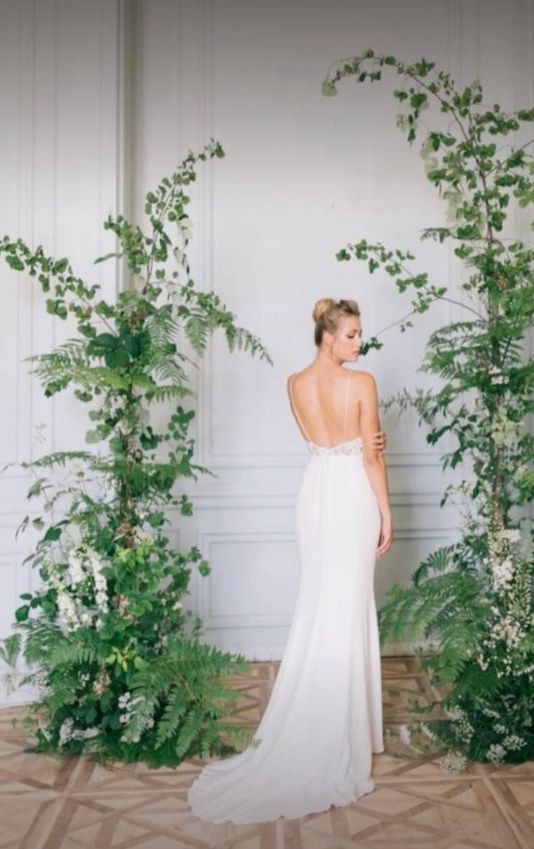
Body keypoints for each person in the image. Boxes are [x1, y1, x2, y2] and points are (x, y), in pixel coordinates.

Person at [187, 297, 394, 823]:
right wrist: (387, 513)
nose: (359, 343)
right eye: (351, 334)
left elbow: (327, 442)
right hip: (349, 493)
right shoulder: (363, 383)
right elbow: (369, 454)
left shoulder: (293, 384)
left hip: (315, 492)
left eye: (359, 334)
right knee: (345, 606)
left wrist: (363, 444)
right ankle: (339, 731)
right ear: (328, 336)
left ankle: (325, 719)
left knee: (322, 602)